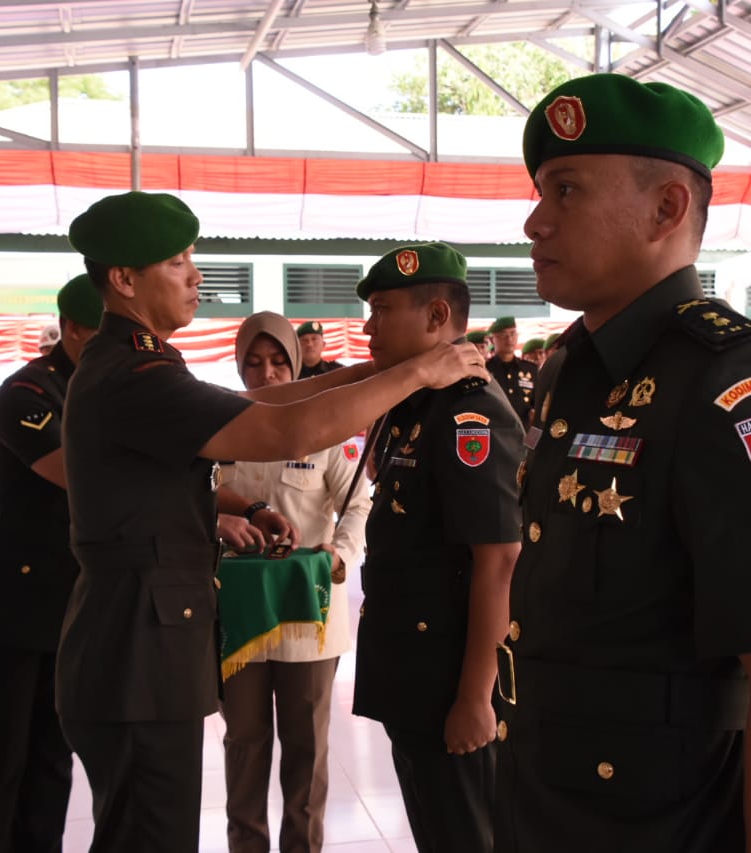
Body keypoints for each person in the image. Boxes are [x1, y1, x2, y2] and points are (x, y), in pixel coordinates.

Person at [54, 191, 487, 853]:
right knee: (148, 836)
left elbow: (257, 399)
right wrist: (422, 368)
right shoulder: (132, 374)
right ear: (123, 279)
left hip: (138, 642)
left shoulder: (131, 363)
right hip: (136, 651)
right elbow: (284, 426)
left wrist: (384, 367)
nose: (196, 274)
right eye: (176, 261)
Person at [495, 74, 751, 853]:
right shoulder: (570, 369)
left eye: (566, 191)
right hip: (543, 797)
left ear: (666, 209)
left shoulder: (740, 388)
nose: (533, 221)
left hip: (663, 824)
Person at [352, 241, 523, 853]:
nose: (368, 325)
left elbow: (498, 559)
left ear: (435, 318)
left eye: (382, 308)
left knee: (465, 834)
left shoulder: (466, 413)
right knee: (435, 828)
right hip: (412, 670)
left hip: (450, 676)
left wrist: (476, 697)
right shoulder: (413, 402)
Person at [0, 274, 103, 853]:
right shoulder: (28, 392)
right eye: (100, 337)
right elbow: (82, 478)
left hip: (66, 602)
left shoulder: (105, 389)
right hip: (6, 603)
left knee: (51, 757)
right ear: (71, 330)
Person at [217, 311, 369, 853]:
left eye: (279, 361)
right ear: (239, 367)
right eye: (254, 363)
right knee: (245, 745)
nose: (268, 374)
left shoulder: (325, 428)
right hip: (239, 617)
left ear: (298, 362)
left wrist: (339, 555)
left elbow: (357, 505)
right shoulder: (220, 427)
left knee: (306, 753)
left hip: (310, 613)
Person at [486, 316, 536, 425]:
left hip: (524, 435)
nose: (509, 339)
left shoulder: (531, 369)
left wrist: (532, 440)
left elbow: (537, 406)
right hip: (496, 434)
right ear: (492, 339)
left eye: (513, 334)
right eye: (503, 335)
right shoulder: (485, 369)